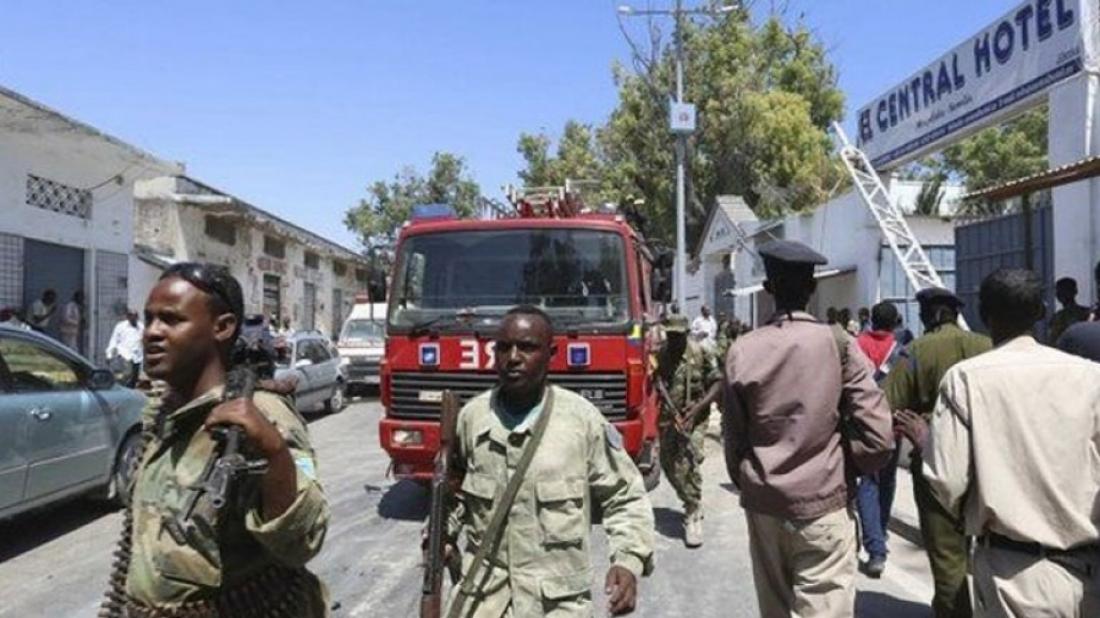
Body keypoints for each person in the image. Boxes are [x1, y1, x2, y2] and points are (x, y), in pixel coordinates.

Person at [110, 262, 329, 616]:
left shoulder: (260, 417)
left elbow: (303, 543)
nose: (152, 332)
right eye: (149, 319)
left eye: (171, 319)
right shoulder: (164, 414)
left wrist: (275, 453)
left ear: (222, 327)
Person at [909, 269, 1100, 617]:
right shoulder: (1091, 376)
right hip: (1089, 570)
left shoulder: (966, 379)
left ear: (984, 314)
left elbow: (947, 480)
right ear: (1041, 311)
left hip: (1015, 574)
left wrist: (928, 445)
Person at [444, 306, 654, 617]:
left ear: (550, 354)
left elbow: (624, 495)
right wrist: (440, 537)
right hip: (484, 600)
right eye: (503, 347)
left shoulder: (581, 421)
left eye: (527, 347)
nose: (513, 357)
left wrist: (628, 560)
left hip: (556, 604)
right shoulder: (472, 418)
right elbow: (452, 493)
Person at [724, 240, 893, 617]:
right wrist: (847, 469)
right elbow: (879, 437)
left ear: (768, 289)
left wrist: (753, 481)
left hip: (764, 505)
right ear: (812, 288)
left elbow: (734, 439)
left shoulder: (742, 350)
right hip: (824, 503)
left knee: (775, 609)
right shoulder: (839, 344)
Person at [887, 287, 991, 618]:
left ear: (931, 315)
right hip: (987, 462)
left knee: (947, 555)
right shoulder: (986, 346)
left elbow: (889, 403)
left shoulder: (915, 350)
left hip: (935, 458)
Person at [656, 313, 723, 547]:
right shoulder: (663, 353)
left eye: (678, 336)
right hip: (670, 416)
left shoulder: (701, 351)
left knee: (687, 458)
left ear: (686, 334)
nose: (674, 340)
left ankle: (692, 511)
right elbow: (658, 381)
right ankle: (690, 498)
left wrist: (697, 409)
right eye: (670, 335)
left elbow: (718, 382)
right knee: (667, 462)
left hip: (696, 416)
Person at [853, 302, 906, 578]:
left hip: (864, 426)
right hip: (893, 425)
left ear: (871, 320)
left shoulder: (857, 345)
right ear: (896, 322)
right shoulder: (902, 349)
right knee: (886, 481)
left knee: (868, 482)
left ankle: (875, 546)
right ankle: (878, 538)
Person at [106, 310, 145, 388]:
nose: (134, 319)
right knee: (127, 374)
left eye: (136, 317)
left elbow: (143, 340)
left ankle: (130, 391)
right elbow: (114, 340)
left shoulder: (141, 327)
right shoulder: (121, 327)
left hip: (137, 357)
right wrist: (109, 354)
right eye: (132, 316)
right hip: (125, 355)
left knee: (134, 378)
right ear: (128, 317)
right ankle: (122, 389)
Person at [1048, 277, 1091, 343]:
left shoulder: (1087, 314)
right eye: (1059, 291)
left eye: (1065, 290)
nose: (1060, 294)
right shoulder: (1087, 313)